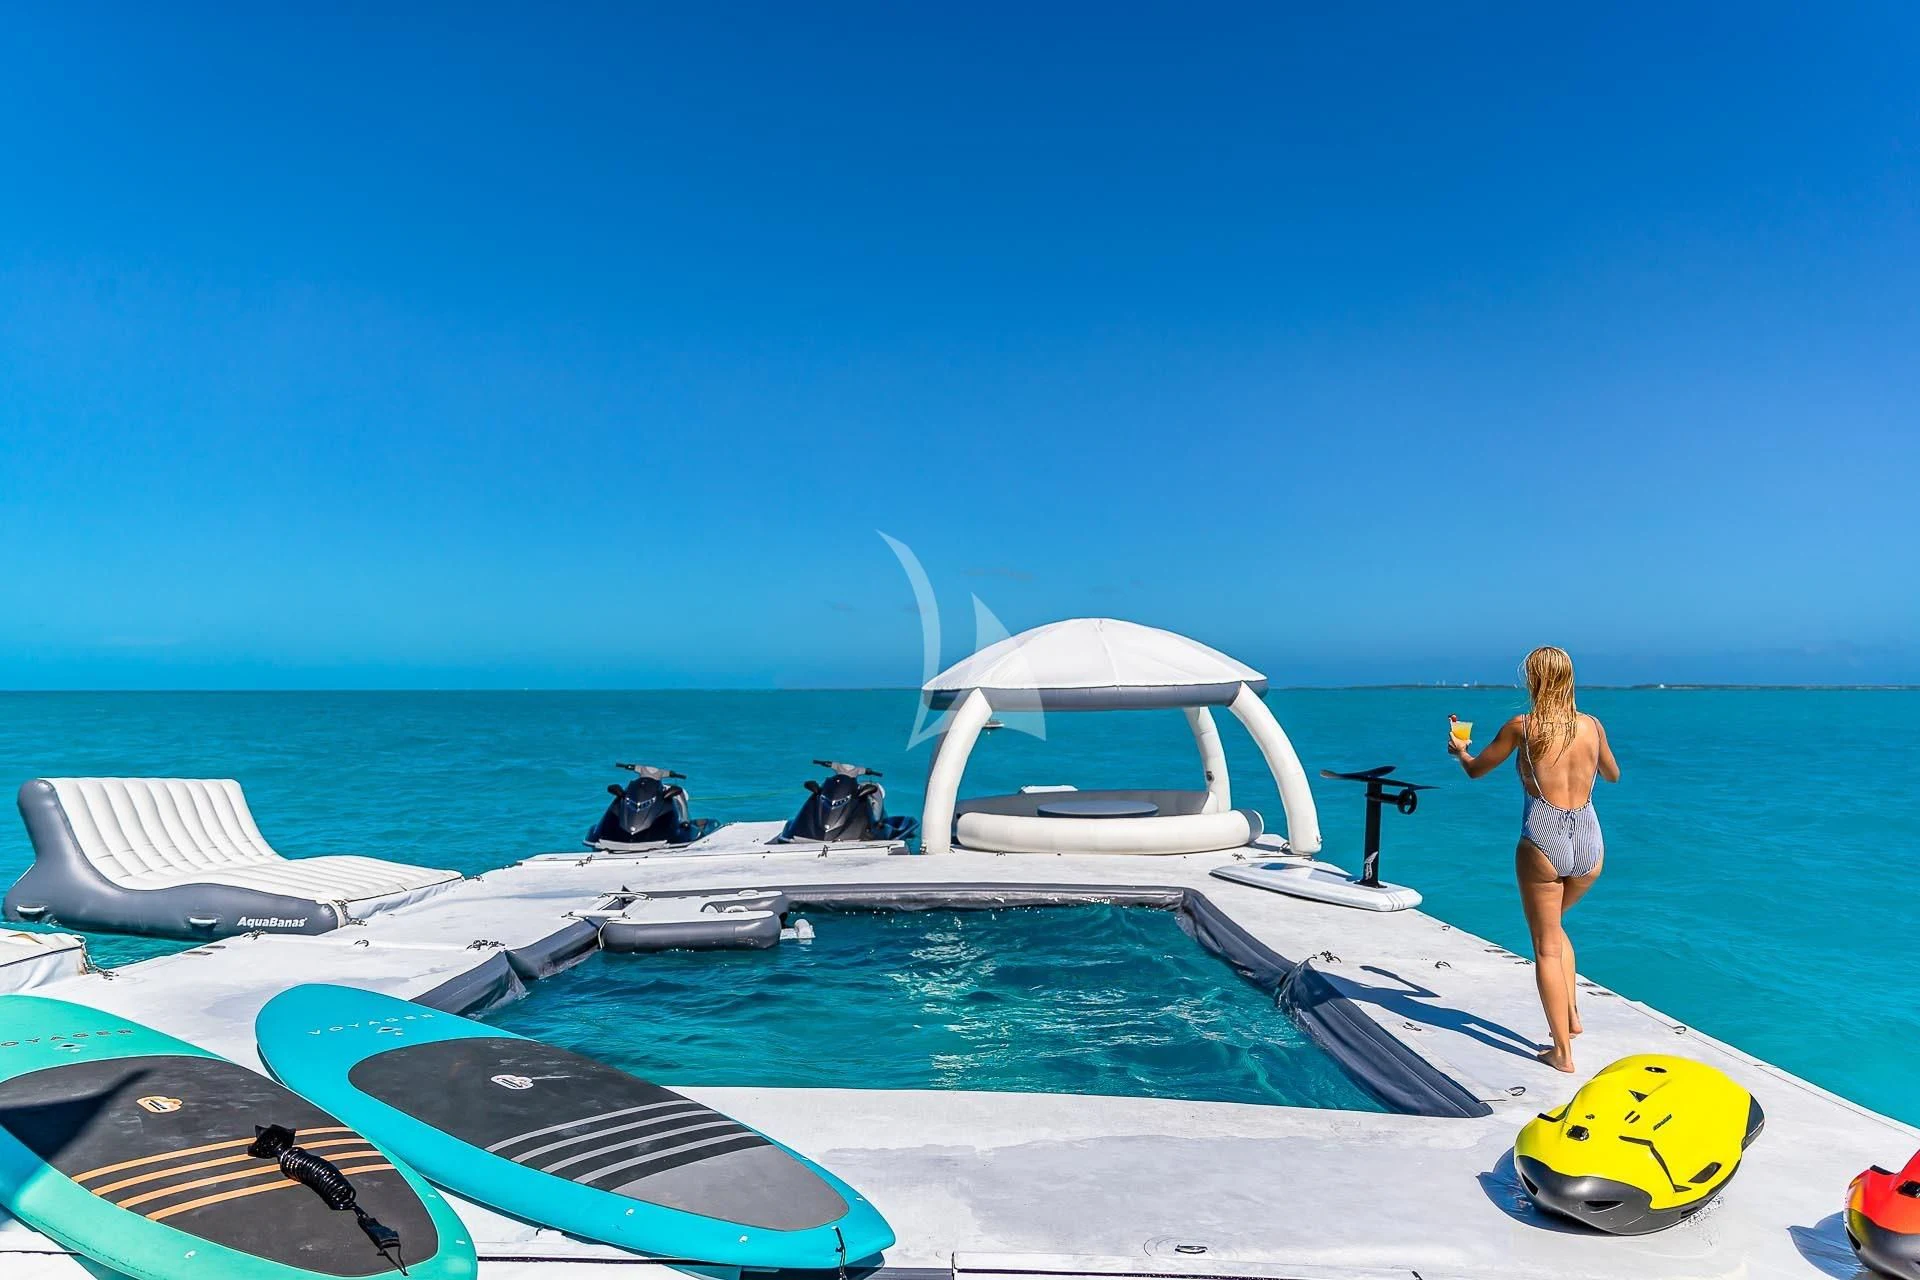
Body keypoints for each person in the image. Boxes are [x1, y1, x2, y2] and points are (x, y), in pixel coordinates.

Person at [1447, 646, 1620, 1073]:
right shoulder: (1592, 725)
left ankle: (1561, 1052)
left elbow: (1475, 770)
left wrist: (1461, 750)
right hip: (1589, 840)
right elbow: (1613, 774)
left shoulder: (1522, 727)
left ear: (1534, 680)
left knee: (1544, 945)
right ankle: (1573, 1016)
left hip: (1545, 838)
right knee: (1556, 928)